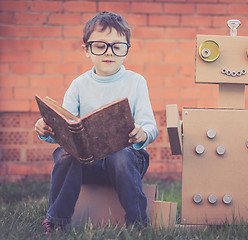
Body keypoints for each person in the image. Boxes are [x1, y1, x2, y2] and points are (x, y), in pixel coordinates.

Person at [34, 11, 158, 235]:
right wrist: (47, 130)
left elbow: (150, 126)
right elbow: (66, 128)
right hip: (87, 163)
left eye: (117, 46)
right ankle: (56, 220)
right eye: (100, 45)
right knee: (65, 153)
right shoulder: (78, 85)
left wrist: (143, 134)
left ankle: (138, 223)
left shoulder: (136, 82)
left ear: (127, 49)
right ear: (86, 49)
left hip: (126, 163)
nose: (109, 52)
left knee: (120, 155)